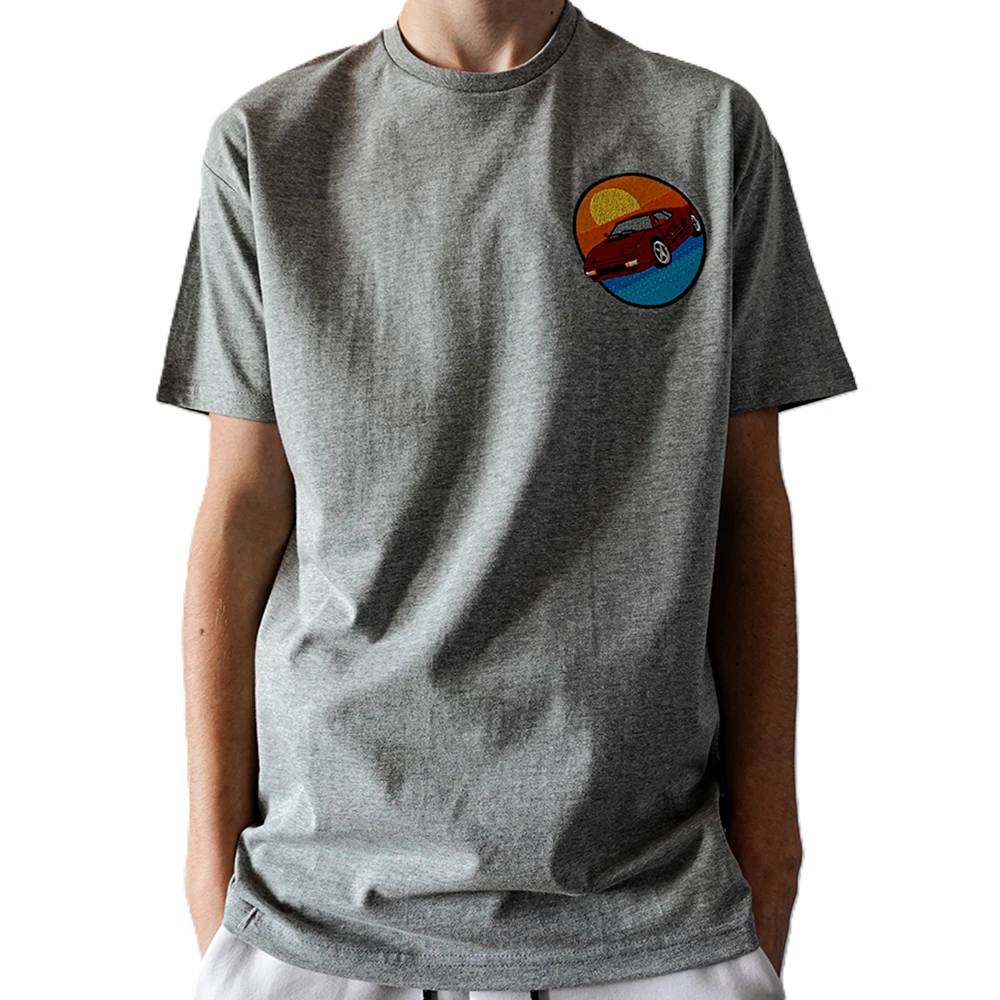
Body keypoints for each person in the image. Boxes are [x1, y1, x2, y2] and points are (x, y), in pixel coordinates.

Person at [155, 1, 856, 997]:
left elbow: (747, 506)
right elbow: (239, 513)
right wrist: (206, 868)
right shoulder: (268, 145)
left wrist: (773, 855)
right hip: (318, 915)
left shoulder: (705, 130)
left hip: (653, 914)